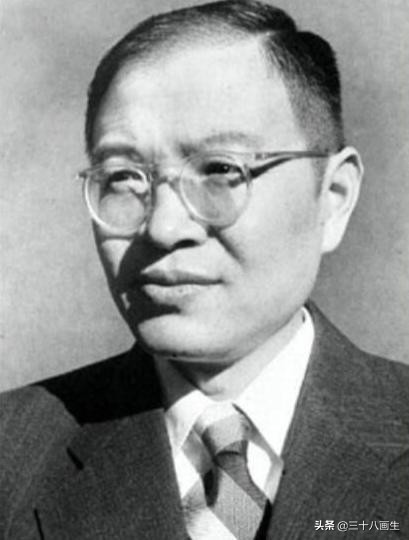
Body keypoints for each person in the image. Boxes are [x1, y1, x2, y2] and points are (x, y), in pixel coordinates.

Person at [1, 1, 408, 538]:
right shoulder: (11, 459)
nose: (163, 227)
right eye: (122, 177)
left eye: (220, 170)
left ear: (332, 198)